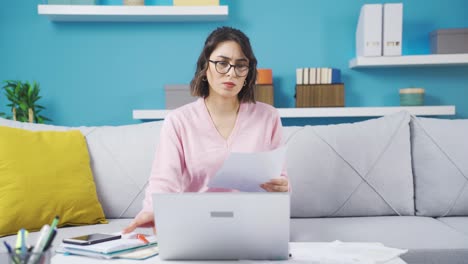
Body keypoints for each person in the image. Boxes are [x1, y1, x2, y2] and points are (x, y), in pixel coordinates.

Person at [123, 26, 289, 234]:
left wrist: (282, 187)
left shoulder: (268, 117)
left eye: (240, 65)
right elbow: (164, 180)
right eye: (222, 63)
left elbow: (280, 179)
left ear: (248, 72)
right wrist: (153, 210)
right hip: (197, 225)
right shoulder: (178, 121)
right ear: (205, 66)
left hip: (254, 224)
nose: (231, 72)